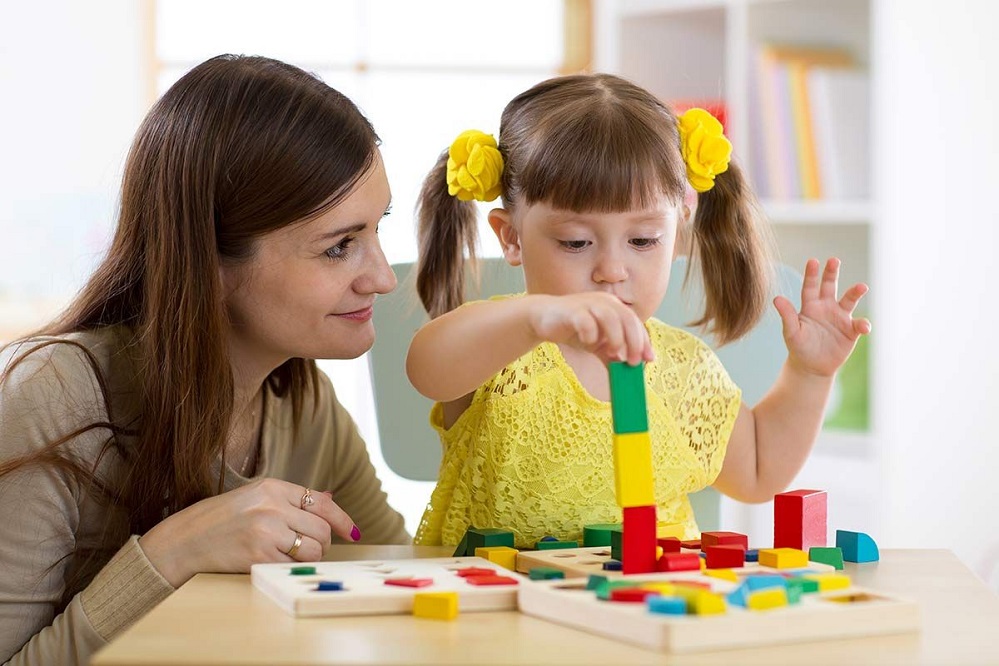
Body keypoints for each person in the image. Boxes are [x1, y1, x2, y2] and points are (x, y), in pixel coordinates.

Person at [0, 55, 410, 665]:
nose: (381, 278)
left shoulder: (304, 404)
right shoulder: (53, 395)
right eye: (340, 247)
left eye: (378, 228)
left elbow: (400, 578)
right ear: (210, 265)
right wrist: (173, 554)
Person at [407, 73, 871, 549]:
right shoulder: (503, 344)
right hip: (498, 608)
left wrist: (810, 373)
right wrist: (536, 317)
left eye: (643, 240)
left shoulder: (682, 370)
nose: (612, 269)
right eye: (576, 242)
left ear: (678, 227)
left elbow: (756, 472)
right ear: (511, 237)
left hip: (646, 604)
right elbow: (427, 368)